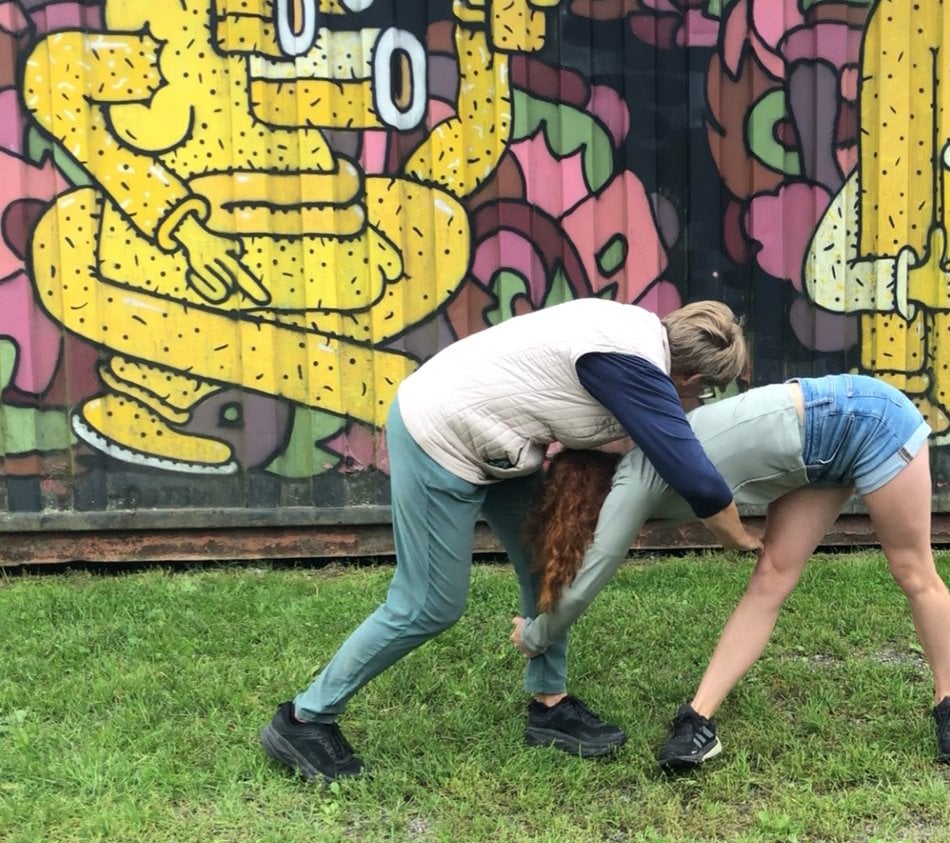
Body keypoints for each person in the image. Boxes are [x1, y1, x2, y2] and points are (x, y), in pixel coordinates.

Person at [260, 297, 763, 781]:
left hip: (497, 441)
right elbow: (695, 477)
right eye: (700, 393)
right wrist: (739, 538)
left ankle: (550, 707)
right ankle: (305, 720)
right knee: (428, 603)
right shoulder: (633, 364)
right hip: (439, 435)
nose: (694, 403)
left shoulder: (632, 332)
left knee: (551, 566)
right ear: (693, 377)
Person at [511, 374, 950, 771]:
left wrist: (537, 636)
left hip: (868, 419)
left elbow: (596, 568)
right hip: (815, 454)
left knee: (911, 569)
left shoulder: (638, 474)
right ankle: (698, 720)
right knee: (771, 575)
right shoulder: (650, 450)